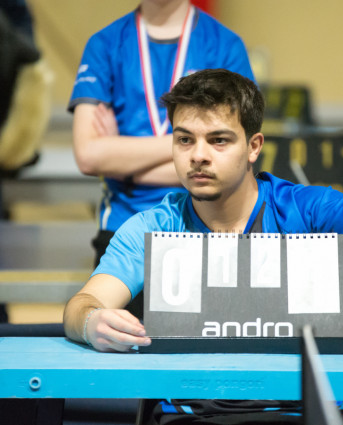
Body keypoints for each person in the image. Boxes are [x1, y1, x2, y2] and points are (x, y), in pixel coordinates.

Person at [64, 69, 343, 424]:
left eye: (218, 140)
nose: (198, 155)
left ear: (254, 147)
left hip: (300, 414)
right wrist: (92, 322)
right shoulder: (152, 227)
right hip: (185, 417)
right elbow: (83, 305)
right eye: (185, 139)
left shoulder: (305, 209)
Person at [68, 0, 255, 273]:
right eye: (184, 139)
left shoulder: (225, 45)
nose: (194, 151)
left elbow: (237, 157)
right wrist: (198, 147)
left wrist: (123, 165)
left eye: (188, 140)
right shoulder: (104, 44)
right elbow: (88, 156)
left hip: (207, 227)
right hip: (124, 229)